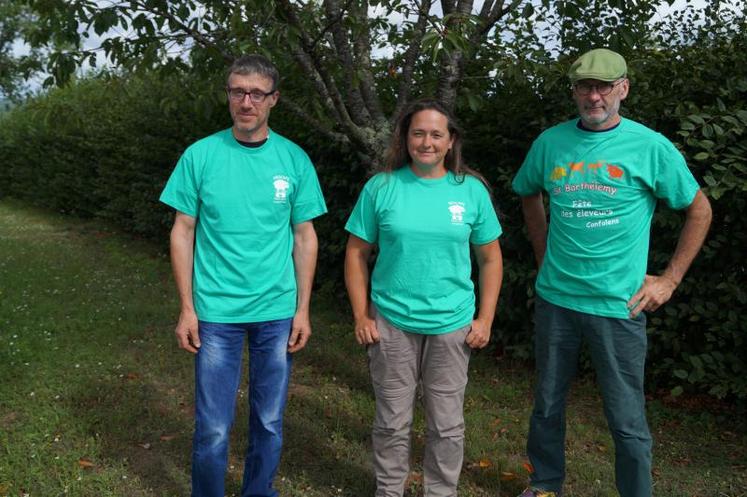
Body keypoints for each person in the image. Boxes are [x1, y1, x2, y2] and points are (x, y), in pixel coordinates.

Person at [512, 48, 712, 497]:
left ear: (623, 88)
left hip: (618, 305)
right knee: (546, 405)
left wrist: (669, 279)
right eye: (585, 86)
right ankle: (545, 484)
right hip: (556, 300)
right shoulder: (550, 143)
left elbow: (699, 211)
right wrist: (544, 254)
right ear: (574, 92)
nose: (595, 96)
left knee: (625, 419)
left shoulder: (651, 147)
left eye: (605, 86)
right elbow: (528, 193)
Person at [159, 54, 327, 497]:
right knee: (213, 427)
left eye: (256, 93)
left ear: (274, 99)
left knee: (269, 421)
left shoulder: (294, 160)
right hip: (216, 311)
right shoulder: (200, 155)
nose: (246, 101)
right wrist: (187, 308)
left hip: (276, 310)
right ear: (229, 95)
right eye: (237, 91)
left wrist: (303, 310)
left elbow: (305, 237)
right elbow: (183, 231)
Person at [344, 99, 504, 497]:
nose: (426, 142)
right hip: (391, 322)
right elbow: (356, 253)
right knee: (391, 421)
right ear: (406, 138)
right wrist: (363, 315)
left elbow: (490, 258)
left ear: (451, 141)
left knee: (447, 424)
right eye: (418, 133)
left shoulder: (471, 192)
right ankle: (389, 490)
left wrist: (484, 319)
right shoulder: (381, 187)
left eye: (436, 134)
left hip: (452, 324)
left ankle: (441, 492)